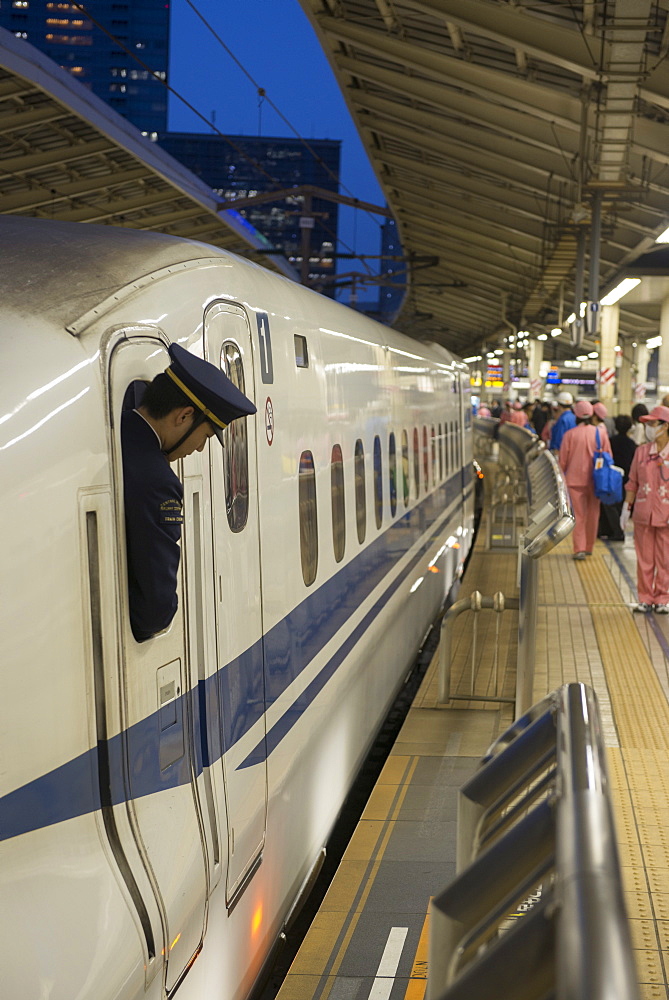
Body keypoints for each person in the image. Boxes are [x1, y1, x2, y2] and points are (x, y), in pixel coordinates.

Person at [122, 343, 257, 642]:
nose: (199, 447)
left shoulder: (119, 433)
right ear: (184, 416)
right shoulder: (159, 482)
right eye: (206, 435)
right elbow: (154, 613)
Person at [620, 405, 669, 613]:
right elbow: (632, 483)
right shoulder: (641, 452)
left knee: (665, 558)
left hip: (666, 515)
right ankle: (645, 597)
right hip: (643, 513)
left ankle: (663, 598)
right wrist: (626, 508)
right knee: (644, 558)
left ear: (665, 426)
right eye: (647, 424)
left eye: (653, 423)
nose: (648, 428)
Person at [559, 400, 612, 559]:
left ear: (576, 415)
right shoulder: (600, 433)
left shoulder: (570, 435)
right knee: (593, 514)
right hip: (597, 481)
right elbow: (609, 456)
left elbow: (563, 461)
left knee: (579, 516)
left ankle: (579, 548)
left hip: (574, 482)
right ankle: (589, 546)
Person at [599, 415, 636, 541]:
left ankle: (615, 531)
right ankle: (617, 529)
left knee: (610, 504)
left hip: (612, 478)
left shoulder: (611, 441)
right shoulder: (632, 444)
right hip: (626, 478)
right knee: (620, 506)